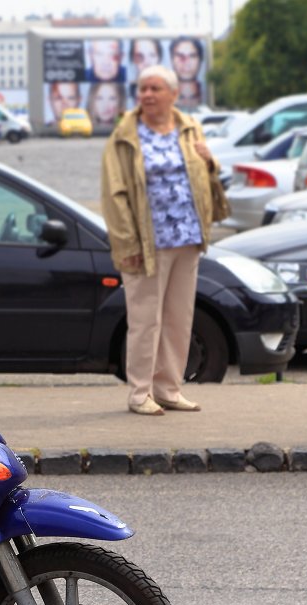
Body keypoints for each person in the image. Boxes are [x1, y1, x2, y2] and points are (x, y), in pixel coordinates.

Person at [99, 65, 219, 416]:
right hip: (147, 244)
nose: (147, 95)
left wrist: (212, 162)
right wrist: (127, 244)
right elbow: (114, 195)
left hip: (187, 237)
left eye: (155, 88)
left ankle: (169, 388)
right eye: (142, 89)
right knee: (144, 320)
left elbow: (205, 176)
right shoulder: (125, 136)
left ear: (173, 94)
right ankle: (139, 393)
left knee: (178, 318)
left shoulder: (188, 127)